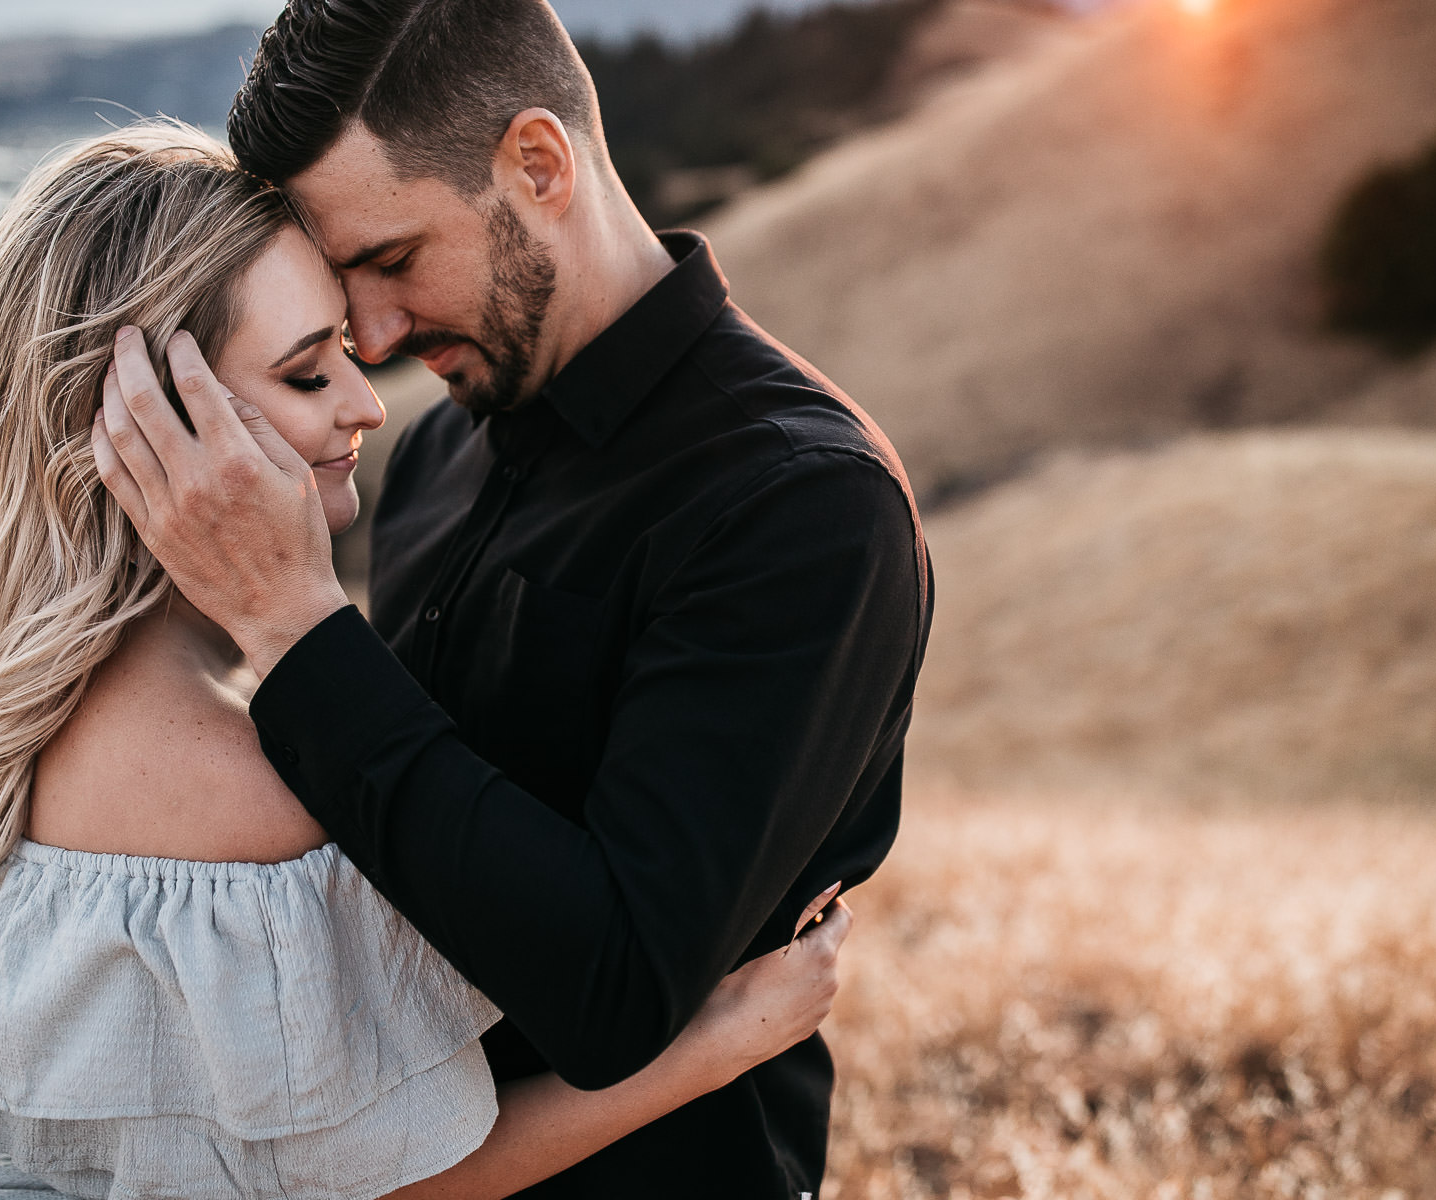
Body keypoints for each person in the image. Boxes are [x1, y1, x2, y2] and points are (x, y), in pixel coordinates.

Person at [0, 122, 853, 1200]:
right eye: (304, 371)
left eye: (341, 348)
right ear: (148, 423)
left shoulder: (74, 684)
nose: (366, 401)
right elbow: (379, 1190)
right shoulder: (230, 781)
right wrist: (723, 1040)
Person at [92, 2, 935, 1197]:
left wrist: (295, 627)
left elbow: (613, 993)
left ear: (539, 164)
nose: (372, 333)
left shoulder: (800, 504)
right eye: (346, 282)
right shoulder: (439, 458)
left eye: (392, 260)